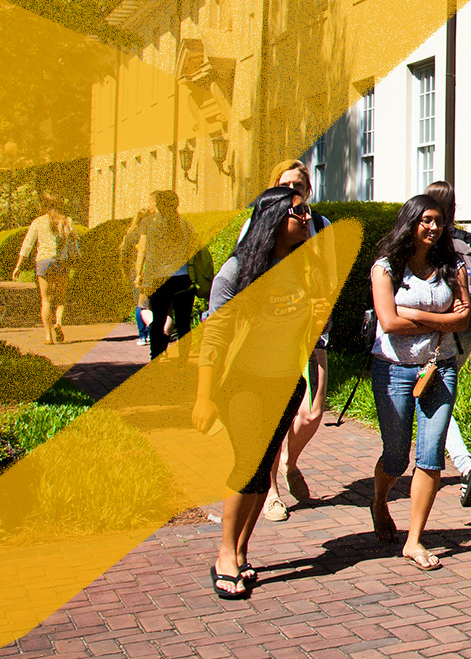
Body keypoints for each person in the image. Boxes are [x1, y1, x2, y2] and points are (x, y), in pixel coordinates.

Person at [191, 186, 325, 600]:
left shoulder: (304, 268)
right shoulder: (237, 272)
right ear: (273, 219)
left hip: (285, 381)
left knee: (263, 468)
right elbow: (212, 338)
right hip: (244, 384)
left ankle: (242, 550)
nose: (307, 219)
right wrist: (203, 396)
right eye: (298, 213)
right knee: (248, 466)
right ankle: (224, 557)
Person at [369, 194, 471, 570]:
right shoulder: (386, 268)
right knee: (396, 457)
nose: (433, 227)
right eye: (425, 220)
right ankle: (380, 500)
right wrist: (439, 318)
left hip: (440, 367)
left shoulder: (453, 265)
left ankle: (414, 540)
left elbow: (463, 318)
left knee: (430, 457)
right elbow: (389, 323)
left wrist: (414, 313)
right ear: (410, 223)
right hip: (394, 369)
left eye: (439, 221)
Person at [253, 160, 334, 523]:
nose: (293, 191)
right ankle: (270, 489)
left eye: (298, 185)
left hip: (313, 330)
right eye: (285, 185)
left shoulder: (320, 226)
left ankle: (290, 460)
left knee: (313, 411)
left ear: (309, 189)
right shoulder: (258, 225)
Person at [423, 179, 471, 507]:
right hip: (466, 328)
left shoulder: (431, 245)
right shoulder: (468, 240)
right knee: (439, 396)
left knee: (434, 399)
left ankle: (464, 466)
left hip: (437, 331)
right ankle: (442, 457)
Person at [121, 190, 200, 361]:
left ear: (159, 205)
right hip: (183, 278)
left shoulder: (150, 223)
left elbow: (143, 250)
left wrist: (139, 273)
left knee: (158, 320)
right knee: (183, 322)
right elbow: (194, 247)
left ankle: (156, 357)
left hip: (159, 278)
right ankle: (183, 360)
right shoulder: (185, 223)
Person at [11, 194, 79, 345]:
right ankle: (59, 323)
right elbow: (75, 239)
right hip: (62, 262)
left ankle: (48, 336)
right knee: (61, 298)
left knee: (46, 300)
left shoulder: (38, 222)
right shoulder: (67, 220)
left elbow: (27, 245)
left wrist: (18, 267)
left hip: (43, 262)